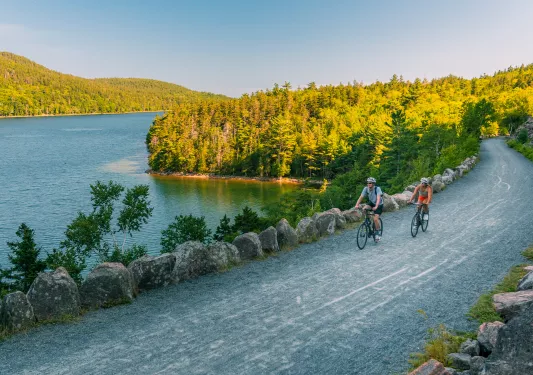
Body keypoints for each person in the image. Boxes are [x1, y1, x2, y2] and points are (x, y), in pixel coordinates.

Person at [355, 177, 383, 241]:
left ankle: (377, 232)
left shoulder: (377, 189)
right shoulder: (366, 189)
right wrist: (356, 205)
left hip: (379, 204)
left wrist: (376, 206)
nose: (368, 184)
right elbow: (361, 197)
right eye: (367, 183)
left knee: (375, 219)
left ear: (373, 184)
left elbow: (378, 198)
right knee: (364, 209)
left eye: (370, 183)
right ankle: (367, 220)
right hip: (371, 203)